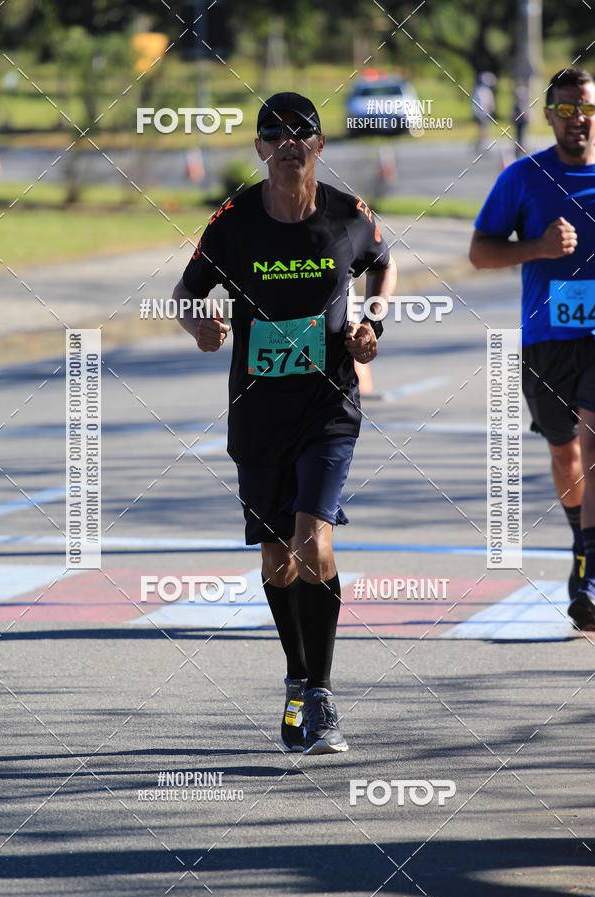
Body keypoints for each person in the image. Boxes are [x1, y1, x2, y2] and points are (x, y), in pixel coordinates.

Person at [172, 92, 397, 753]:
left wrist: (371, 324)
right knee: (276, 557)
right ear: (260, 148)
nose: (289, 141)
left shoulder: (346, 215)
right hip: (258, 410)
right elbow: (186, 294)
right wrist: (197, 327)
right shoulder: (234, 222)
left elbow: (384, 264)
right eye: (275, 132)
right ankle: (297, 679)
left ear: (319, 147)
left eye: (303, 132)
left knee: (310, 541)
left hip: (328, 404)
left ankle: (321, 696)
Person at [469, 67, 595, 631]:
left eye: (586, 107)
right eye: (566, 110)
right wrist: (537, 248)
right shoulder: (524, 177)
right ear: (549, 115)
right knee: (566, 455)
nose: (579, 119)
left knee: (591, 445)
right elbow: (479, 253)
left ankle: (591, 570)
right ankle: (582, 543)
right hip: (547, 341)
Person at [471, 71, 497, 152]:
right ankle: (480, 144)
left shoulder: (483, 90)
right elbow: (482, 103)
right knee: (483, 130)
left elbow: (490, 103)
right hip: (482, 113)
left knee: (484, 130)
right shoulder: (481, 90)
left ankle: (481, 143)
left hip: (485, 113)